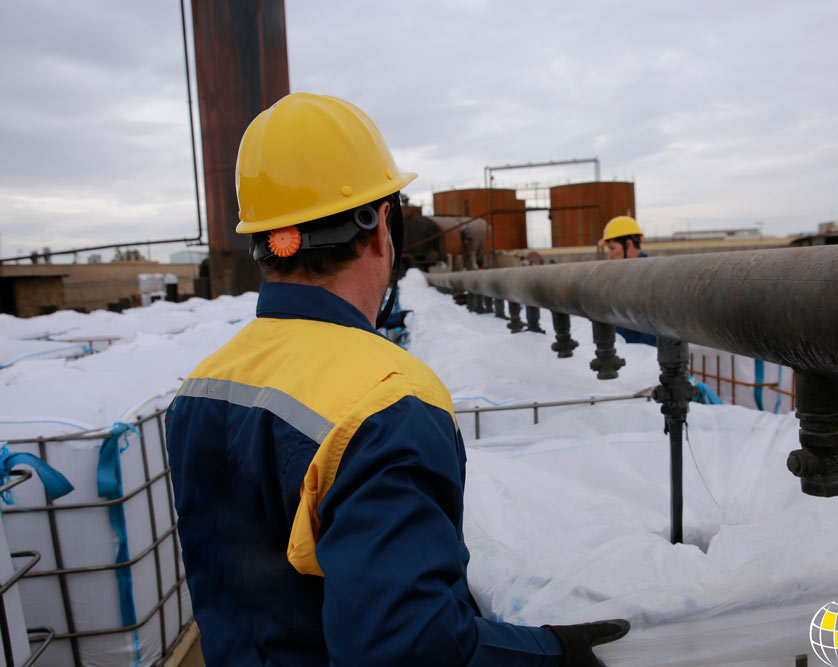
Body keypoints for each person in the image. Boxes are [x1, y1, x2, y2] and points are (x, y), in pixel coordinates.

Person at [165, 92, 629, 666]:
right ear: (384, 225)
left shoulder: (202, 386)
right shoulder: (387, 401)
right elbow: (411, 650)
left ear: (265, 242)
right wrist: (552, 652)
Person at [598, 216, 656, 346]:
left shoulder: (648, 279)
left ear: (628, 245)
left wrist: (633, 359)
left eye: (612, 248)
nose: (610, 255)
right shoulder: (624, 278)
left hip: (638, 358)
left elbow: (653, 337)